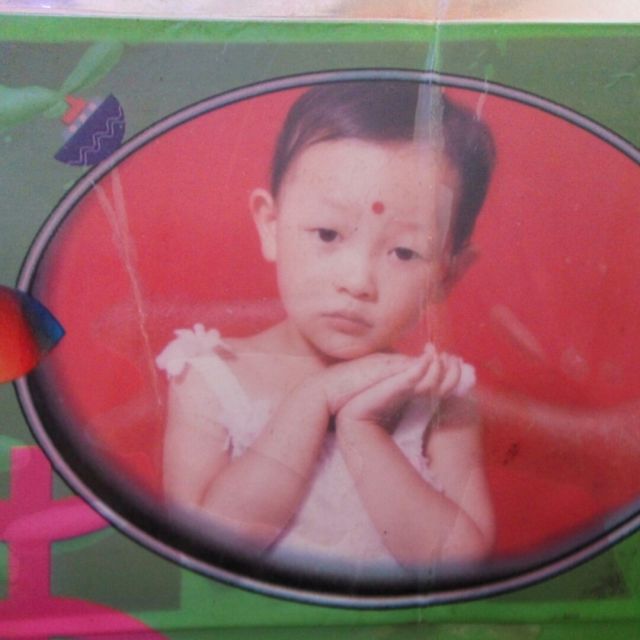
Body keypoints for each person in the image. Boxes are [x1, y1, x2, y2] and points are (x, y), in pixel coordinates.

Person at [156, 80, 496, 572]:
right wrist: (315, 398)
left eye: (404, 252)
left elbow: (456, 564)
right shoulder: (210, 374)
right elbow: (204, 549)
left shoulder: (439, 394)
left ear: (449, 274)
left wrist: (361, 430)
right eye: (328, 234)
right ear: (270, 226)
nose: (356, 282)